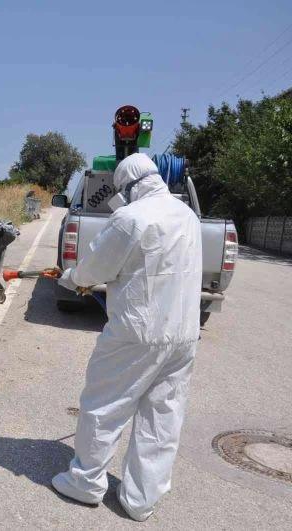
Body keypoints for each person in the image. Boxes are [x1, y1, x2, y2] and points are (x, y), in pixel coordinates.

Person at [50, 153, 203, 521]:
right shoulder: (188, 216)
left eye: (120, 189)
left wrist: (71, 278)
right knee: (162, 417)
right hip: (183, 335)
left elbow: (93, 269)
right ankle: (140, 500)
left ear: (130, 186)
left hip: (138, 333)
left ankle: (86, 482)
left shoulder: (130, 218)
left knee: (105, 404)